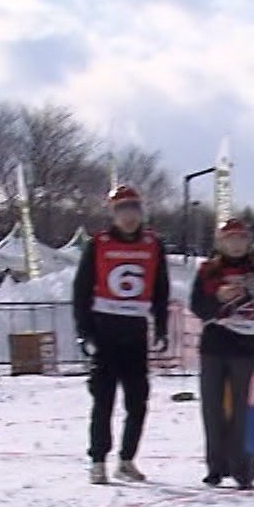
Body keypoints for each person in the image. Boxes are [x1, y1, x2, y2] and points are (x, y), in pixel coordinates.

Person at [72, 184, 169, 486]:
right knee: (103, 400)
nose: (128, 217)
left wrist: (162, 326)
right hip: (105, 329)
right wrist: (84, 330)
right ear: (113, 214)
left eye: (133, 210)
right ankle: (98, 459)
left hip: (135, 332)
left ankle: (127, 459)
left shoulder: (153, 244)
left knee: (138, 401)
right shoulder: (98, 243)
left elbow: (161, 289)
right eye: (122, 211)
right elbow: (82, 287)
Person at [189, 218, 254, 489]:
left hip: (246, 348)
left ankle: (243, 469)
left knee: (244, 410)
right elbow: (197, 305)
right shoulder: (208, 270)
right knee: (212, 408)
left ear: (248, 242)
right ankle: (216, 466)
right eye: (230, 239)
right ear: (220, 242)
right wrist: (218, 300)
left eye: (240, 239)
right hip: (215, 345)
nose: (236, 245)